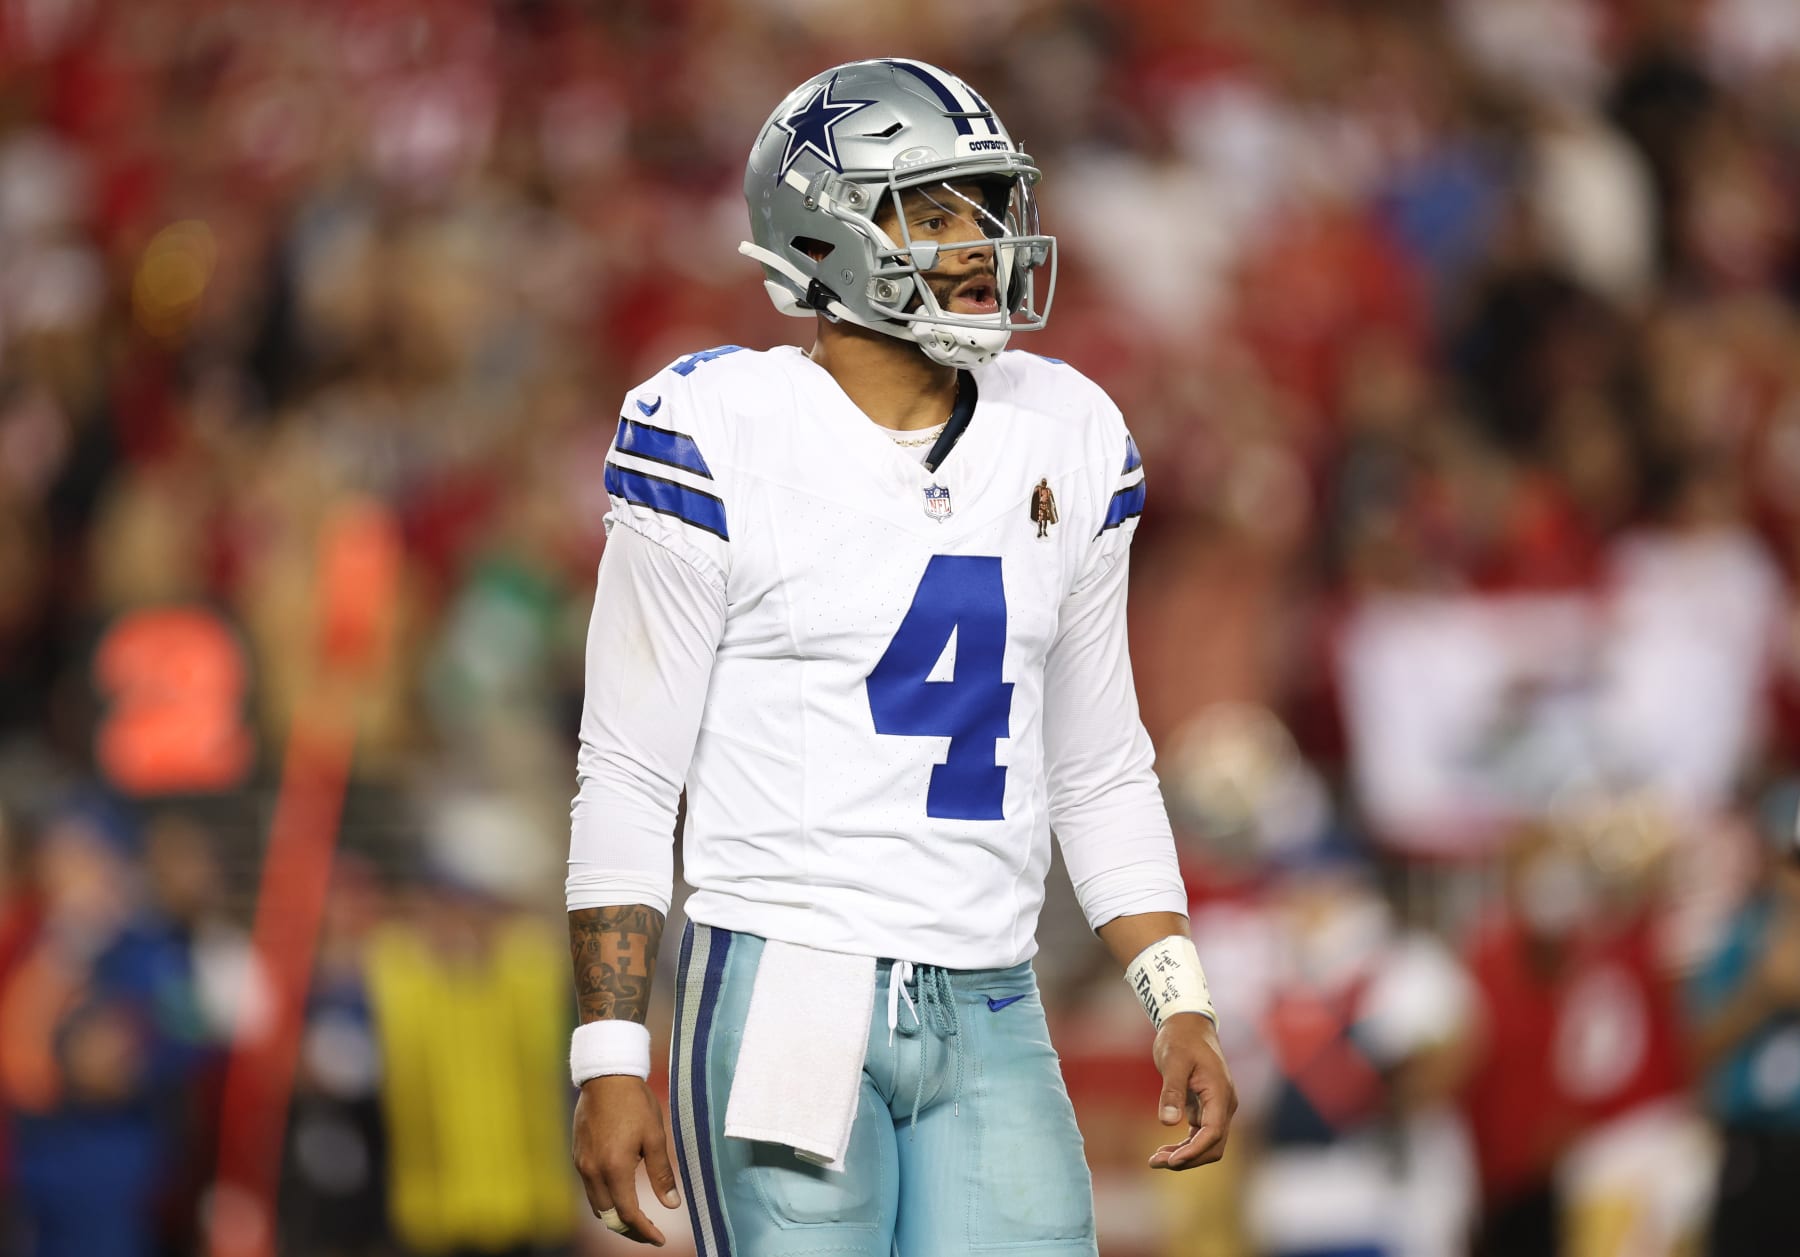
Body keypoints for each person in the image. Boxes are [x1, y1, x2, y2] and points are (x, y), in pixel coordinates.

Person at [563, 58, 1235, 1256]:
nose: (980, 244)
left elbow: (1098, 764)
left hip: (991, 988)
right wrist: (610, 1051)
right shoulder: (718, 431)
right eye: (931, 211)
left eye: (986, 205)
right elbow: (627, 767)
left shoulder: (1068, 428)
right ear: (820, 232)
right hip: (788, 981)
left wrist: (1178, 1001)